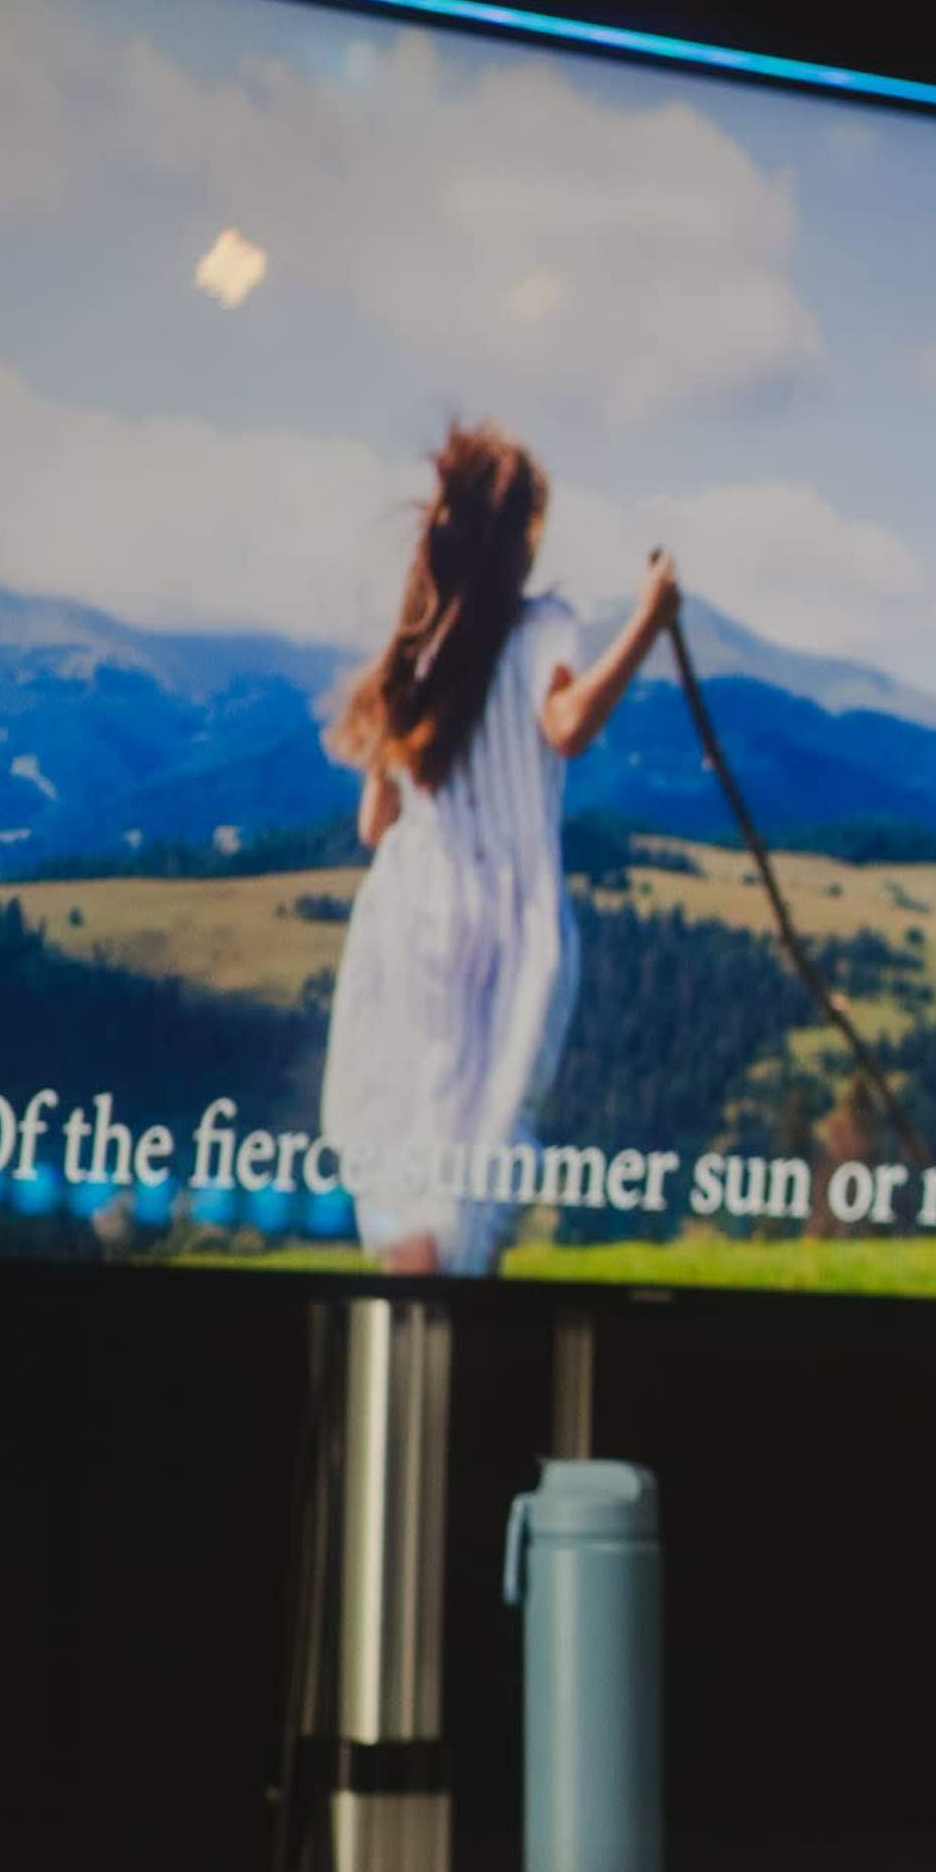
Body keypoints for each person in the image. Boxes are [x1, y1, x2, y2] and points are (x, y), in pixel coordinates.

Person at [320, 423, 678, 1278]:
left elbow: (374, 824)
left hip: (409, 919)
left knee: (413, 1168)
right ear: (521, 536)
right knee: (469, 1171)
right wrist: (650, 621)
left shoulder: (418, 648)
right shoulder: (542, 627)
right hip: (502, 920)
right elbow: (566, 725)